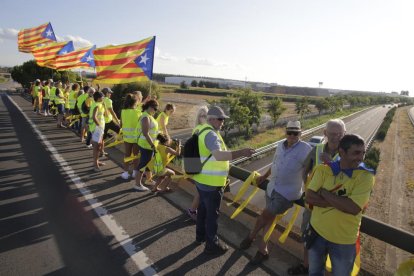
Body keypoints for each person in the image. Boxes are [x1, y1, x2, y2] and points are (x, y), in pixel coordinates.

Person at [239, 121, 312, 264]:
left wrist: (309, 191)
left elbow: (308, 173)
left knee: (264, 216)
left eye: (295, 133)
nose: (291, 136)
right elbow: (274, 164)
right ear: (286, 132)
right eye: (289, 132)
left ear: (300, 134)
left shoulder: (306, 149)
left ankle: (252, 237)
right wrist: (264, 177)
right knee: (269, 218)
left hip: (286, 194)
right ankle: (263, 249)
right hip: (271, 188)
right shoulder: (280, 145)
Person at [306, 134, 374, 276]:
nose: (361, 158)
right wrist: (340, 203)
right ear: (341, 152)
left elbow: (353, 208)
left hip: (344, 240)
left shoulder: (365, 176)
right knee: (314, 272)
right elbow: (309, 197)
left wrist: (324, 193)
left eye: (363, 153)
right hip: (317, 232)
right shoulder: (323, 169)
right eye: (356, 153)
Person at [193, 106, 255, 255]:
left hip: (201, 180)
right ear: (212, 119)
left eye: (223, 120)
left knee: (202, 210)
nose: (223, 122)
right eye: (221, 119)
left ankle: (199, 236)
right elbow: (219, 155)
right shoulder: (212, 135)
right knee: (211, 215)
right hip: (212, 183)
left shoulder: (201, 130)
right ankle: (211, 244)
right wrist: (242, 152)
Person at [288, 119, 346, 275]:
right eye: (332, 133)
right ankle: (306, 266)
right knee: (308, 238)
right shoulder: (317, 150)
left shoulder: (349, 153)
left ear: (344, 134)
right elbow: (304, 171)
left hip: (332, 209)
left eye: (339, 134)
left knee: (327, 243)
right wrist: (308, 189)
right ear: (325, 133)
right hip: (313, 207)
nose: (336, 137)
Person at [187, 106, 209, 221]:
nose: (204, 118)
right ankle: (192, 210)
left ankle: (194, 210)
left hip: (201, 164)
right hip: (200, 165)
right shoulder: (199, 129)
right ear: (198, 118)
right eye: (202, 116)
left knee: (200, 191)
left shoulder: (201, 128)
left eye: (206, 115)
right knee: (200, 192)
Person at [134, 99, 160, 191]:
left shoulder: (148, 116)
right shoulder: (146, 117)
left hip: (148, 145)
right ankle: (137, 184)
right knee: (143, 164)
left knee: (148, 164)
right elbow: (146, 133)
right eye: (155, 109)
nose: (156, 111)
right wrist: (152, 145)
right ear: (150, 107)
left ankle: (149, 180)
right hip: (146, 145)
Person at [120, 93, 141, 180]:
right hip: (136, 138)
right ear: (135, 103)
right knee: (136, 156)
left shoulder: (123, 111)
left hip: (126, 138)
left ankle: (125, 172)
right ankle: (135, 172)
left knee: (127, 155)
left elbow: (121, 124)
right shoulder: (139, 112)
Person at [89, 91, 107, 172]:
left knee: (99, 146)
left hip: (99, 128)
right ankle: (95, 165)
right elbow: (94, 117)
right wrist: (99, 126)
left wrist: (105, 106)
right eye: (102, 97)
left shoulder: (99, 104)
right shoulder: (97, 105)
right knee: (96, 147)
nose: (104, 98)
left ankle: (97, 162)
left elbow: (106, 114)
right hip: (97, 129)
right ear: (99, 98)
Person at [102, 87, 121, 155]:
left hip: (102, 122)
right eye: (109, 93)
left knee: (102, 138)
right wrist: (117, 121)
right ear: (106, 93)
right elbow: (112, 112)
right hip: (109, 121)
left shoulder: (100, 99)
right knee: (120, 131)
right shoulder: (108, 100)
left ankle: (101, 151)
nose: (110, 94)